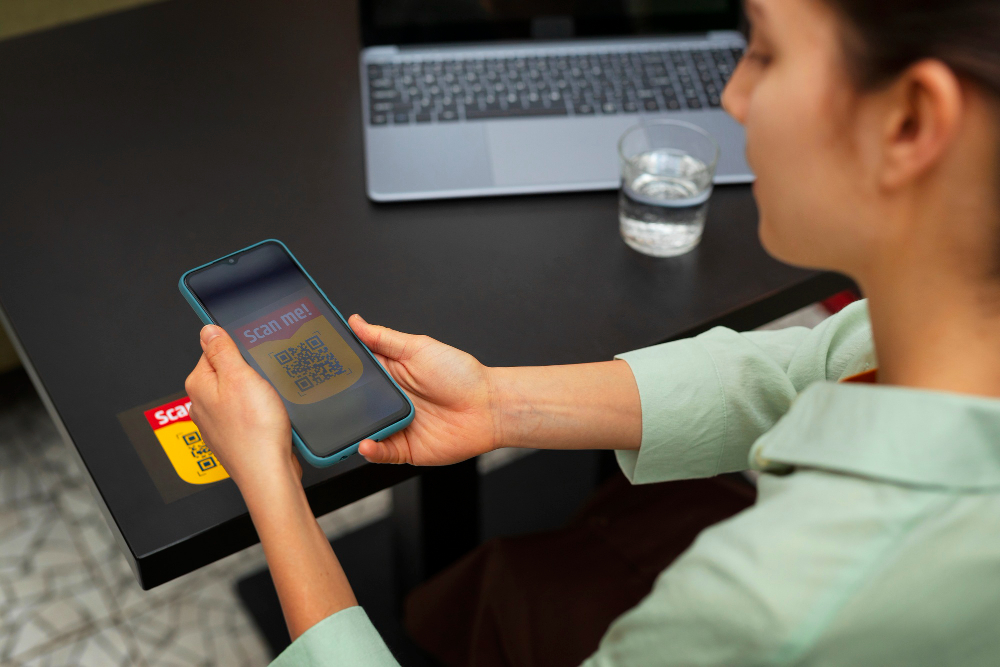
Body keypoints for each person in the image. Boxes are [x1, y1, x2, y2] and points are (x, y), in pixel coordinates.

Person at [185, 0, 1000, 664]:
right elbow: (813, 370)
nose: (730, 97)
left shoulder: (773, 606)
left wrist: (272, 489)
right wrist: (498, 404)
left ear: (910, 120)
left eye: (768, 52)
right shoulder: (956, 341)